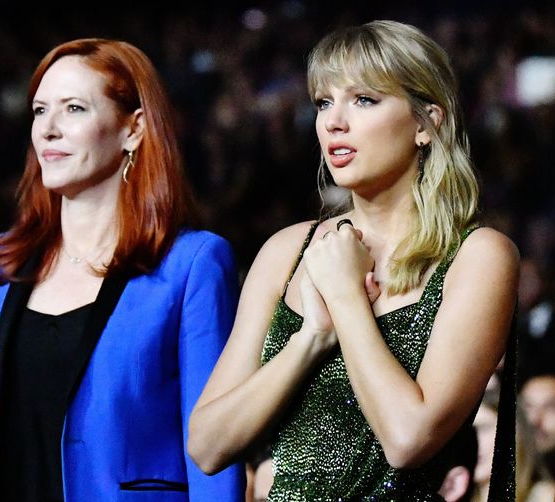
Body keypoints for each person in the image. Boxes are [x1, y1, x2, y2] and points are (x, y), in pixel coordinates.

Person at [187, 20, 519, 501]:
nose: (333, 121)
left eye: (364, 100)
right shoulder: (287, 250)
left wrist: (345, 296)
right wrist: (310, 340)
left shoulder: (478, 256)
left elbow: (407, 440)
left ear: (428, 123)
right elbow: (207, 444)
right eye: (324, 102)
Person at [0, 38, 245, 501]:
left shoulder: (191, 265)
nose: (48, 130)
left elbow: (214, 454)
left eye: (73, 109)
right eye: (39, 110)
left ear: (133, 128)